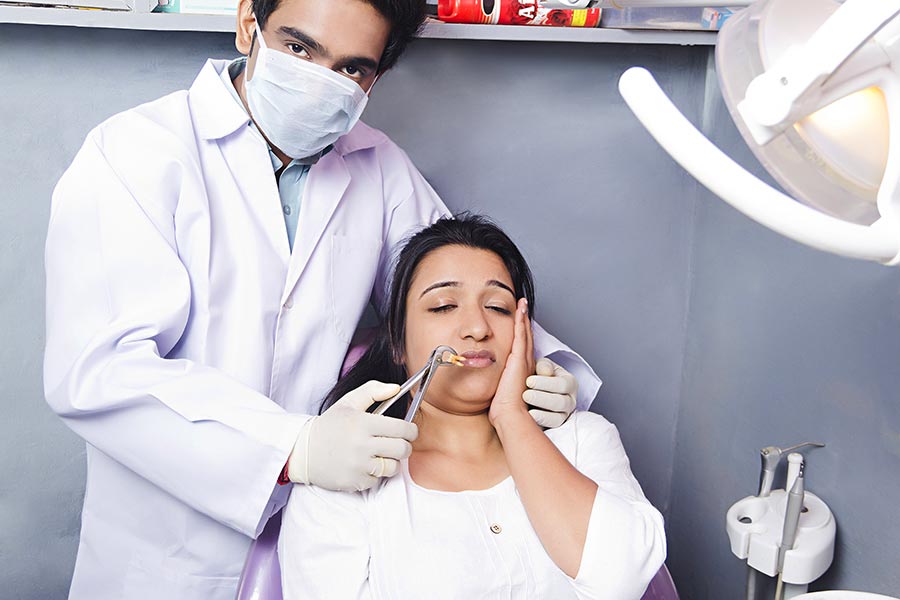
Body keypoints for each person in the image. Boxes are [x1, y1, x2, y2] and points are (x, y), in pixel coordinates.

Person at [43, 0, 601, 598]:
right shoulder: (135, 153)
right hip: (166, 552)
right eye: (299, 48)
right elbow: (101, 371)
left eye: (351, 68)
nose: (318, 81)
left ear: (375, 77)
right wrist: (293, 448)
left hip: (329, 534)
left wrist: (540, 370)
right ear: (248, 23)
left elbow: (456, 289)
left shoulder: (379, 167)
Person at [278, 215, 666, 600]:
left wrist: (512, 418)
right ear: (397, 342)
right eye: (444, 305)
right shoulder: (344, 476)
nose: (477, 328)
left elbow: (621, 579)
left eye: (498, 307)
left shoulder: (585, 440)